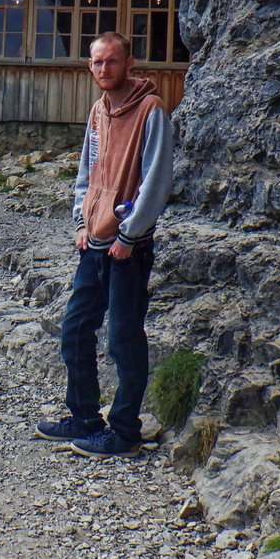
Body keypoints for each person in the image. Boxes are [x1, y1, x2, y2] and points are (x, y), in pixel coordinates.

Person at [36, 32, 174, 458]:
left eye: (111, 62)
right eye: (96, 63)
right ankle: (83, 418)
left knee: (123, 340)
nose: (103, 70)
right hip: (92, 244)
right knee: (75, 330)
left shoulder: (151, 111)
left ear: (130, 62)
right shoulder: (98, 112)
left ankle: (125, 432)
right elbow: (87, 174)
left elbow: (156, 180)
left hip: (127, 250)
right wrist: (81, 221)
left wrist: (129, 236)